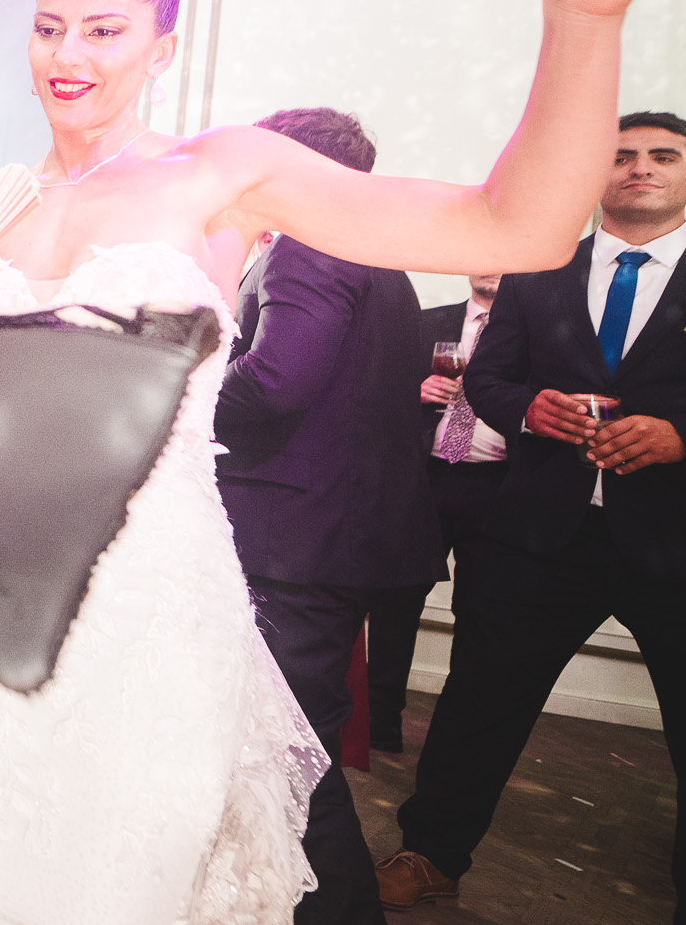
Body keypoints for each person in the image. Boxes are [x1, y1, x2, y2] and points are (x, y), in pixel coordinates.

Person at [0, 0, 673, 925]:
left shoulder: (219, 173)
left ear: (162, 47)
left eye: (104, 31)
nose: (69, 56)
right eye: (49, 28)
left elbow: (514, 226)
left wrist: (584, 16)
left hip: (137, 606)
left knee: (113, 876)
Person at [380, 111, 686, 921]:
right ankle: (430, 855)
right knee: (478, 703)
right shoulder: (540, 268)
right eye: (621, 155)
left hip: (677, 540)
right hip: (541, 534)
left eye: (662, 155)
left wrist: (681, 435)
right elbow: (490, 377)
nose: (640, 167)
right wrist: (528, 409)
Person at [212, 107, 440, 925]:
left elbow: (276, 384)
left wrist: (179, 386)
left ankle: (341, 908)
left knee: (284, 747)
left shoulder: (310, 242)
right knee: (289, 736)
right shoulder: (380, 257)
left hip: (294, 543)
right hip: (336, 539)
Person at [364, 271, 508, 755]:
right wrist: (415, 390)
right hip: (421, 477)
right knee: (395, 599)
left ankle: (455, 736)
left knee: (480, 610)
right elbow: (375, 389)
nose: (491, 264)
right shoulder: (426, 322)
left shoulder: (535, 330)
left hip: (497, 485)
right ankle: (380, 723)